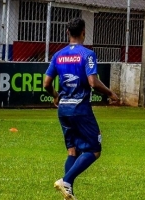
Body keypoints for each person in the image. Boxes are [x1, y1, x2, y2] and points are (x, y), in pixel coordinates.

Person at [43, 17, 119, 200]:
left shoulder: (58, 55)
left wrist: (55, 95)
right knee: (94, 150)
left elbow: (46, 83)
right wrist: (110, 94)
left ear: (67, 32)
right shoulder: (87, 54)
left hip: (63, 109)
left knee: (73, 151)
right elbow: (93, 82)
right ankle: (66, 181)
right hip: (80, 109)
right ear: (84, 32)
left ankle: (68, 193)